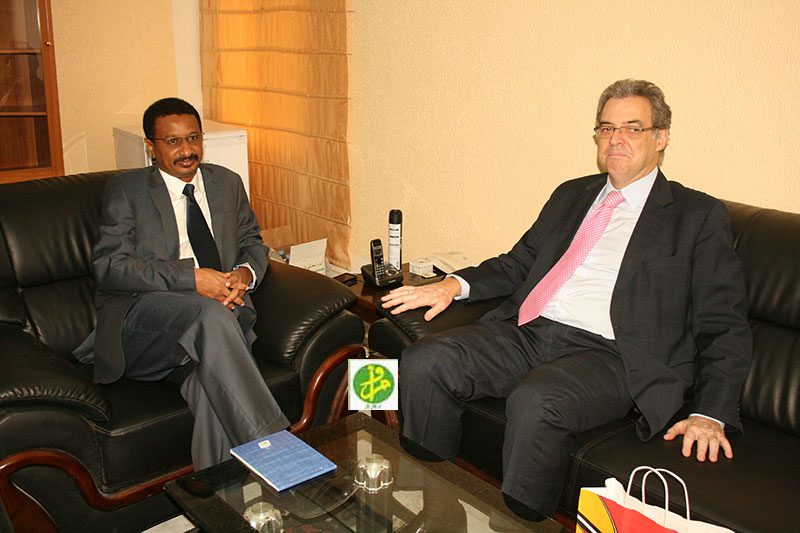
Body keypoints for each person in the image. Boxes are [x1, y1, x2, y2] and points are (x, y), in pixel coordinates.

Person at [381, 79, 752, 520]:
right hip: (532, 332)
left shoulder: (697, 216)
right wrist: (452, 285)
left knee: (537, 401)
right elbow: (518, 263)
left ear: (661, 138)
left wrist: (710, 412)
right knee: (426, 359)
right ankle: (436, 513)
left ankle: (517, 525)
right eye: (607, 128)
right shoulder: (572, 194)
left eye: (632, 128)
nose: (616, 139)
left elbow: (723, 322)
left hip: (613, 356)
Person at [75, 97, 288, 469]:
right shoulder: (127, 190)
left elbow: (252, 242)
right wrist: (191, 279)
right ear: (151, 146)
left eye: (193, 138)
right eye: (172, 141)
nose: (187, 150)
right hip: (145, 324)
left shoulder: (227, 182)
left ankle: (220, 491)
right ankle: (278, 453)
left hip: (217, 326)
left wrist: (243, 275)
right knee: (209, 313)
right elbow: (110, 266)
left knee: (209, 388)